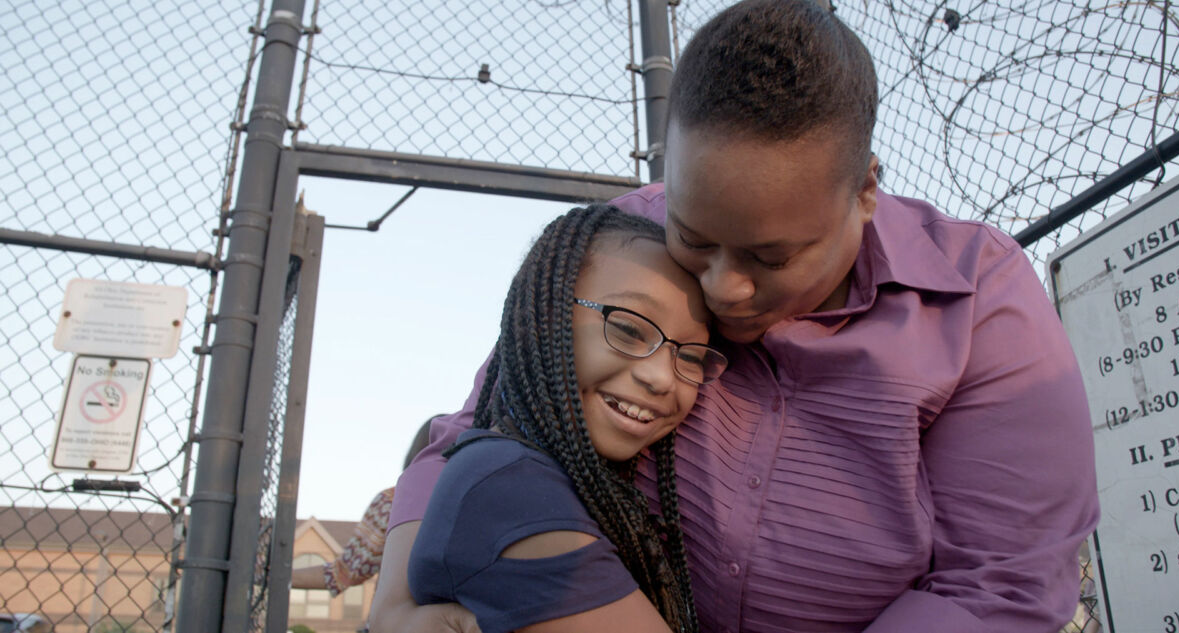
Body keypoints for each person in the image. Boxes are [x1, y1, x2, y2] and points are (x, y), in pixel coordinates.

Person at [371, 1, 1100, 631]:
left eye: (771, 258)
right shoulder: (629, 243)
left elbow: (1001, 579)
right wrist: (396, 604)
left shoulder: (978, 297)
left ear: (866, 190)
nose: (724, 289)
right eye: (693, 235)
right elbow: (488, 423)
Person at [406, 205, 726, 632]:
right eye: (629, 329)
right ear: (542, 319)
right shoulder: (508, 487)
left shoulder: (567, 485)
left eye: (689, 355)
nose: (662, 378)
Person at [291, 418, 435, 595]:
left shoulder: (392, 501)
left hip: (397, 618)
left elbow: (343, 573)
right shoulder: (470, 504)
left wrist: (273, 575)